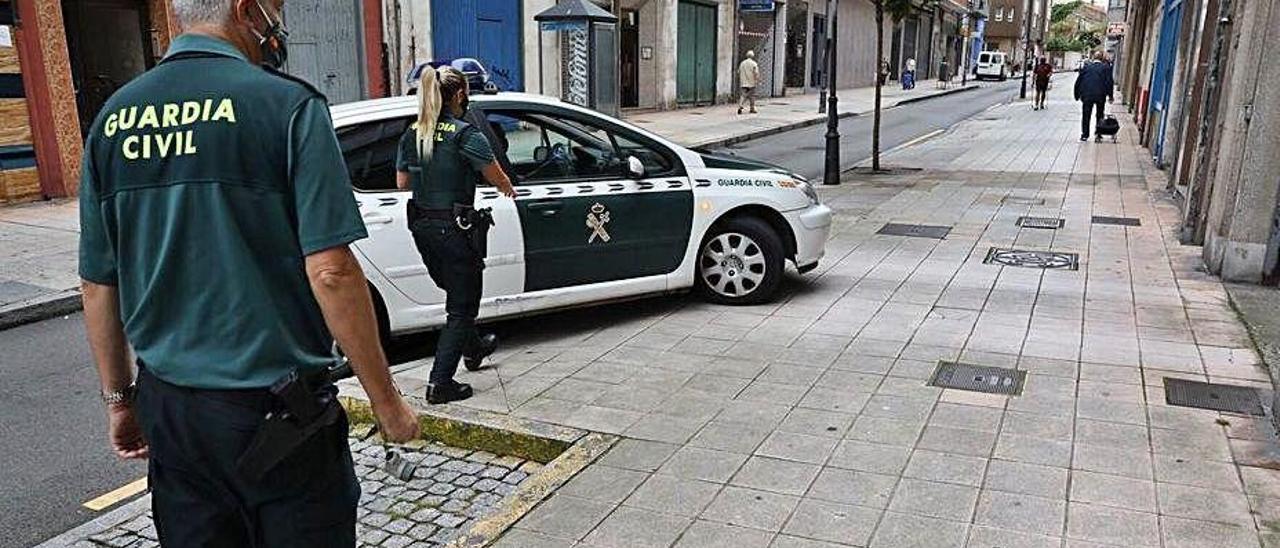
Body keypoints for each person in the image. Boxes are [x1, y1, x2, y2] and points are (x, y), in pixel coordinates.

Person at [77, 0, 421, 545]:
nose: (276, 25)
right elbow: (331, 270)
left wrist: (120, 401)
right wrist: (386, 402)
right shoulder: (285, 106)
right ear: (245, 9)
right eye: (275, 8)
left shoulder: (114, 119)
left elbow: (98, 284)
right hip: (277, 415)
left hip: (174, 410)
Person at [396, 67, 517, 404]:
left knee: (455, 289)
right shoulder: (467, 135)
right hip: (455, 229)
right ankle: (440, 383)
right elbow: (498, 179)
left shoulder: (413, 133)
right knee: (462, 306)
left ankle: (474, 347)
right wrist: (509, 188)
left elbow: (402, 183)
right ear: (460, 94)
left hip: (422, 227)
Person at [1074, 51, 1115, 141]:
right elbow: (1109, 82)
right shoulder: (1106, 68)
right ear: (1101, 59)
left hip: (1087, 95)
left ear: (1093, 58)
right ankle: (1098, 133)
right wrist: (1110, 96)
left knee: (1086, 115)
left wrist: (1077, 94)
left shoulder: (1086, 67)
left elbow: (1079, 81)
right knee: (1100, 114)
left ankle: (1085, 135)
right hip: (1100, 95)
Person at [737, 50, 760, 115]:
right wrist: (757, 80)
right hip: (751, 82)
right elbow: (756, 73)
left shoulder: (742, 63)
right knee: (752, 96)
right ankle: (752, 108)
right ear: (752, 56)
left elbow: (739, 72)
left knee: (743, 95)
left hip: (743, 82)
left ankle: (740, 105)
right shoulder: (754, 64)